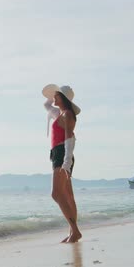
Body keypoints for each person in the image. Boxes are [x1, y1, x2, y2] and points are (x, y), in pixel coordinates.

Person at [43, 84, 82, 243]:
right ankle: (73, 232)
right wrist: (52, 92)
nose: (54, 98)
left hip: (62, 154)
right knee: (68, 196)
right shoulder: (59, 113)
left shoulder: (67, 115)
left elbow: (69, 138)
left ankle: (75, 231)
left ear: (63, 98)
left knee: (56, 194)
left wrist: (66, 162)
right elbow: (46, 105)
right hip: (58, 154)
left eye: (57, 96)